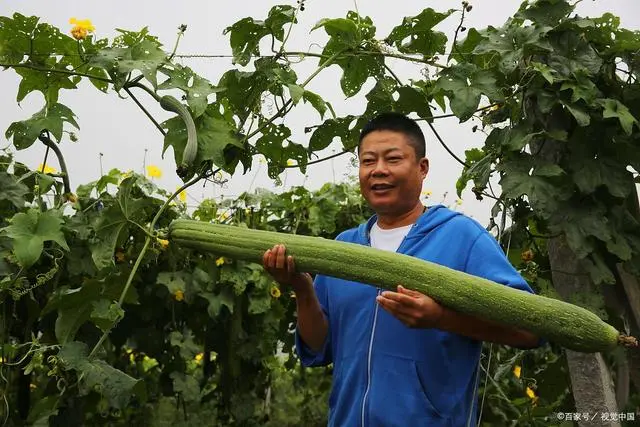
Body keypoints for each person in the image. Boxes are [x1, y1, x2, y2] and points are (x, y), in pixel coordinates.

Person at [262, 112, 543, 427]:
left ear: (422, 168)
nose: (378, 170)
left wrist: (442, 318)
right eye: (368, 161)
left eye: (393, 159)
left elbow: (529, 330)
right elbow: (319, 347)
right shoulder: (343, 248)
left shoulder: (461, 237)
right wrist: (301, 288)